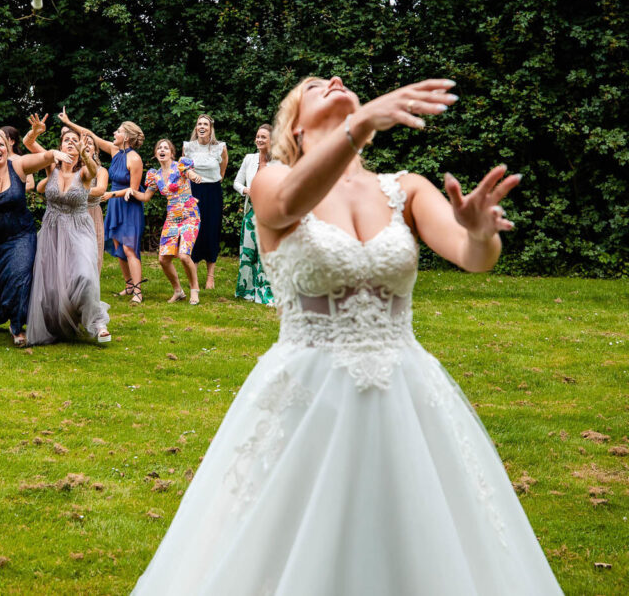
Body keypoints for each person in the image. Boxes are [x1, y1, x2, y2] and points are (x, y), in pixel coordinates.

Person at [131, 76, 562, 595]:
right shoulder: (273, 179)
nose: (334, 81)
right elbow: (287, 202)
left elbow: (472, 258)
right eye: (315, 86)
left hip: (406, 391)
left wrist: (480, 233)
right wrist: (359, 126)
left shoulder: (407, 188)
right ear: (295, 124)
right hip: (307, 395)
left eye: (338, 82)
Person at [0, 130, 67, 346]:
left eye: (1, 145)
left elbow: (43, 158)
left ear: (7, 149)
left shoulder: (18, 166)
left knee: (19, 277)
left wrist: (53, 153)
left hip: (20, 235)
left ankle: (17, 326)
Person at [22, 118, 110, 344]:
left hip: (79, 229)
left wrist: (86, 155)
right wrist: (35, 132)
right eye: (66, 140)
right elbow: (28, 143)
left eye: (75, 140)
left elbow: (92, 170)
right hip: (52, 229)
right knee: (53, 283)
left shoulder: (84, 173)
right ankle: (58, 324)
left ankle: (97, 323)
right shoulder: (52, 166)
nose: (70, 143)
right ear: (60, 146)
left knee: (85, 276)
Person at [59, 108, 146, 304]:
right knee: (117, 245)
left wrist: (111, 194)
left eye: (118, 131)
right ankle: (129, 284)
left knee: (129, 248)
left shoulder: (135, 159)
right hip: (114, 204)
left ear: (126, 137)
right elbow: (90, 134)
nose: (114, 134)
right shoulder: (115, 151)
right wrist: (69, 122)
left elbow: (133, 189)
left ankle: (138, 291)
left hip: (128, 205)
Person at [130, 139, 201, 304]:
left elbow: (190, 173)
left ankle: (194, 290)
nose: (162, 150)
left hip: (190, 215)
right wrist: (130, 191)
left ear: (171, 153)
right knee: (163, 259)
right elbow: (146, 197)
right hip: (172, 219)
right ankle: (178, 291)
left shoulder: (181, 166)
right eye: (159, 148)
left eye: (166, 148)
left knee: (184, 256)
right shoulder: (154, 175)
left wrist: (194, 176)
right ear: (156, 154)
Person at [182, 114, 227, 290]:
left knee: (211, 231)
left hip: (213, 192)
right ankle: (194, 274)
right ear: (196, 128)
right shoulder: (188, 147)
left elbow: (223, 167)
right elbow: (183, 168)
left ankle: (210, 276)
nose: (202, 127)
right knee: (194, 232)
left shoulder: (219, 147)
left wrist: (217, 179)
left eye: (205, 124)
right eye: (199, 124)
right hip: (193, 192)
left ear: (210, 128)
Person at [232, 123, 275, 305]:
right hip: (251, 213)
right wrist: (246, 190)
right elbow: (236, 182)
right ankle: (246, 291)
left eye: (263, 137)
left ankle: (265, 292)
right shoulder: (249, 159)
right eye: (257, 136)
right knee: (248, 253)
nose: (259, 140)